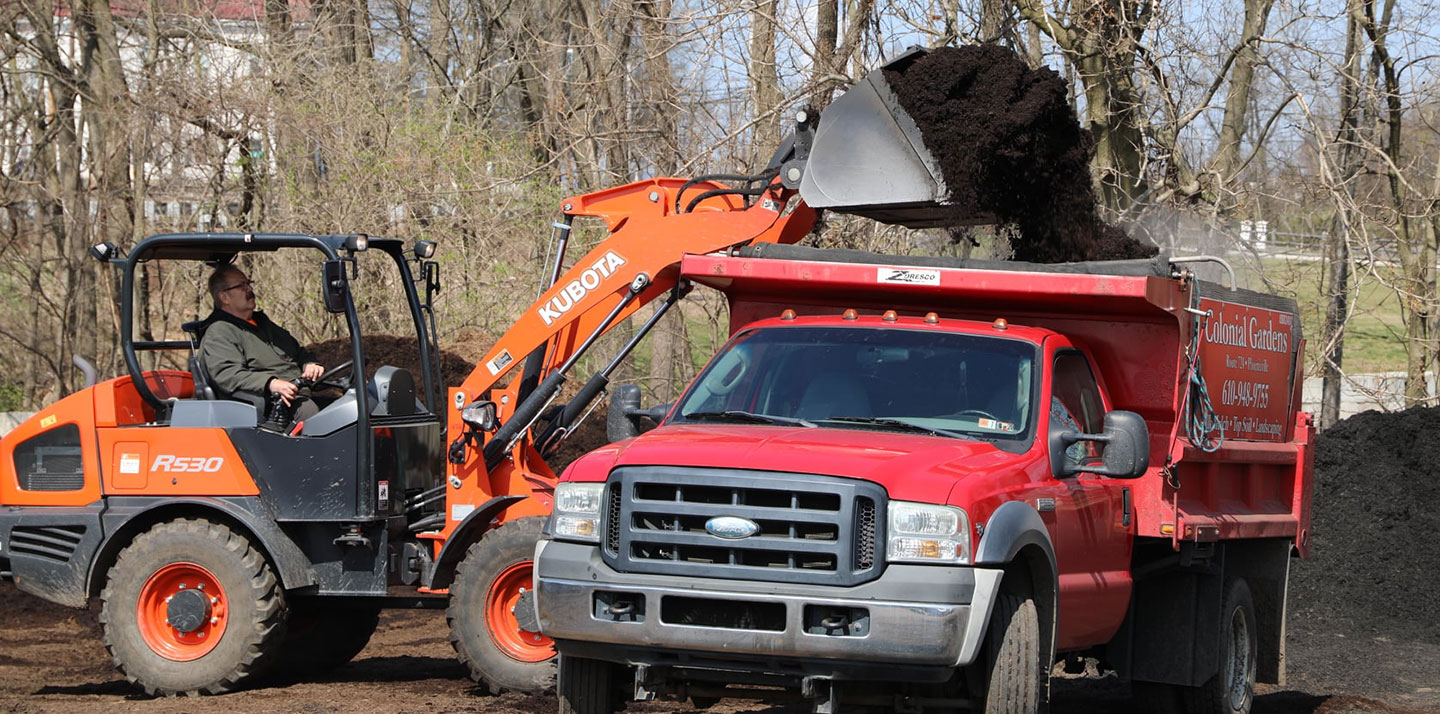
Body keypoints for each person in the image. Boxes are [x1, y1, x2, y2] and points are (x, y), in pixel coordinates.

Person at [199, 265, 325, 422]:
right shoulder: (220, 331)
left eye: (248, 283)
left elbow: (298, 352)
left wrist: (309, 364)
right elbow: (227, 374)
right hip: (267, 404)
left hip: (299, 392)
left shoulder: (262, 324)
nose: (249, 289)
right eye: (241, 286)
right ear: (224, 297)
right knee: (309, 412)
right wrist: (271, 384)